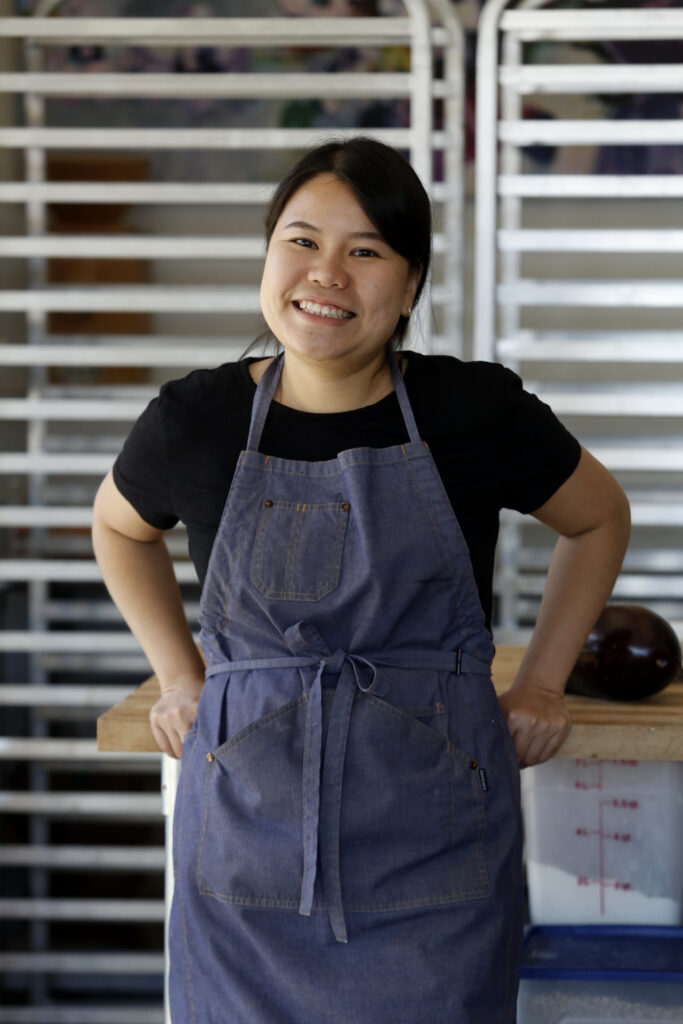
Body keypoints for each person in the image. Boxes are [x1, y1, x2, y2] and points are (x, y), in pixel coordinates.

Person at [92, 138, 630, 1024]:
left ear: (410, 283)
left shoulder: (475, 410)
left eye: (365, 250)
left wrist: (541, 681)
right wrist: (184, 675)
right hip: (245, 844)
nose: (326, 273)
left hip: (435, 839)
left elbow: (598, 514)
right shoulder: (196, 417)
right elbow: (118, 525)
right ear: (268, 258)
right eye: (300, 242)